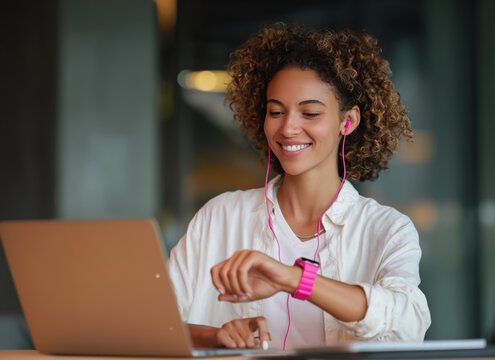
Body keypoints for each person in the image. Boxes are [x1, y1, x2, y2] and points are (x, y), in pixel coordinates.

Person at [167, 22, 431, 351]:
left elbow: (407, 326)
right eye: (276, 111)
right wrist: (216, 336)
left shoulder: (387, 229)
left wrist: (294, 279)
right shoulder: (218, 217)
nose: (288, 127)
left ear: (347, 121)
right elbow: (153, 323)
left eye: (309, 113)